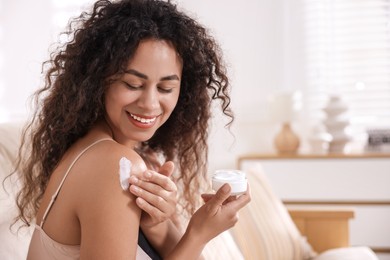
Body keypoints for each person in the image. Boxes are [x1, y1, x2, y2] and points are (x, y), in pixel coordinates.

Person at [13, 0, 251, 259]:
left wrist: (157, 224)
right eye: (133, 84)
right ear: (97, 81)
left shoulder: (134, 160)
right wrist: (200, 234)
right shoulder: (112, 164)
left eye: (165, 88)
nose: (150, 104)